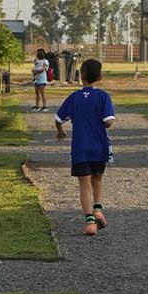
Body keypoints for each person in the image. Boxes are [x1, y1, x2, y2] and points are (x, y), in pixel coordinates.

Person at [54, 58, 116, 236]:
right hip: (100, 147)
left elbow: (58, 119)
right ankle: (98, 209)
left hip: (80, 148)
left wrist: (60, 131)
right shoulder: (104, 97)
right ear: (100, 76)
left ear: (81, 77)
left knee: (84, 184)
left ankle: (90, 222)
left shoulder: (74, 97)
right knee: (97, 179)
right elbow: (108, 122)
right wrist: (107, 120)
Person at [31, 48, 51, 112]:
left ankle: (44, 106)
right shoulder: (37, 61)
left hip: (42, 79)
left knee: (43, 93)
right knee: (37, 93)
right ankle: (37, 106)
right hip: (36, 79)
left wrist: (36, 71)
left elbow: (43, 69)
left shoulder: (45, 61)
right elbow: (35, 64)